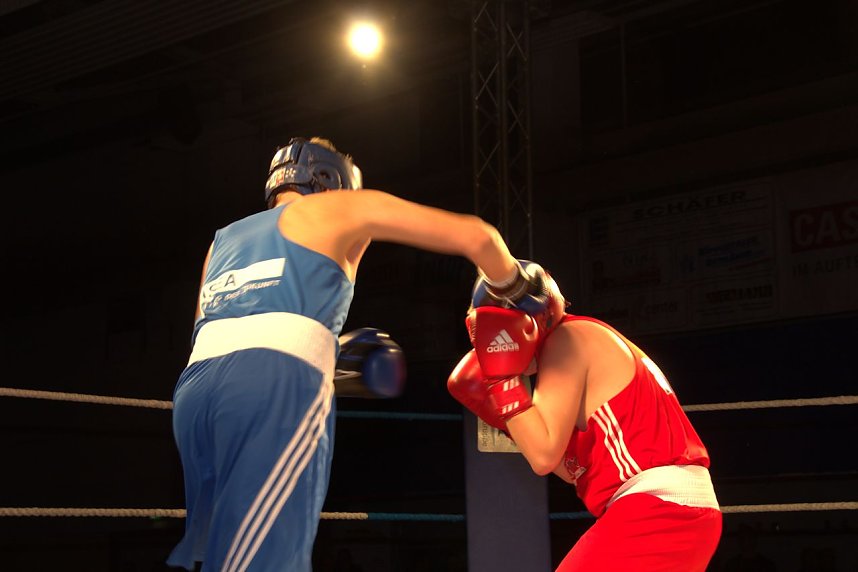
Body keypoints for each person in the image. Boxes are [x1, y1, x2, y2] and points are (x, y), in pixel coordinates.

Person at [167, 137, 527, 571]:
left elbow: (218, 331)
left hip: (195, 395)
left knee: (225, 557)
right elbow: (478, 235)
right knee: (267, 561)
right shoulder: (341, 207)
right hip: (272, 384)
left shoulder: (222, 240)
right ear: (331, 180)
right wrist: (518, 288)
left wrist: (328, 356)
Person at [447, 262, 723, 571]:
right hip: (675, 509)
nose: (490, 348)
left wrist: (501, 383)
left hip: (660, 506)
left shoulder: (568, 340)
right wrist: (509, 420)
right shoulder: (575, 350)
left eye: (493, 337)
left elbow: (543, 456)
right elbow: (568, 467)